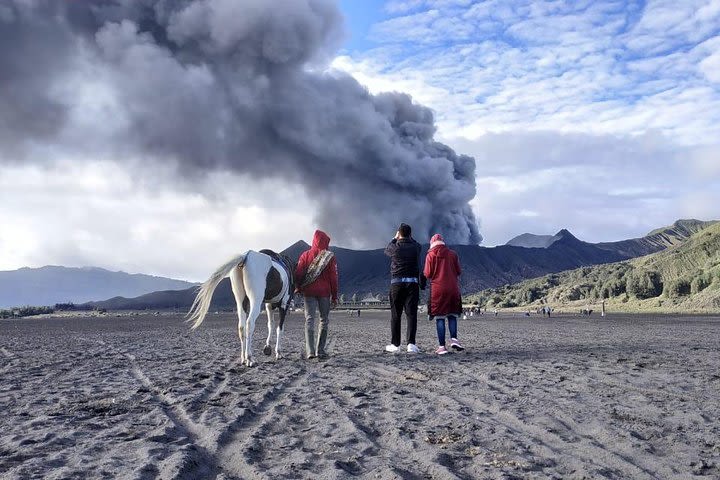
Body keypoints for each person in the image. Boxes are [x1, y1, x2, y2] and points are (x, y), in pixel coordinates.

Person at [295, 230, 338, 359]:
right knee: (324, 320)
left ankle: (310, 351)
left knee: (309, 319)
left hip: (309, 292)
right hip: (325, 292)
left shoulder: (305, 255)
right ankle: (320, 350)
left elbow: (298, 273)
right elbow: (333, 278)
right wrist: (335, 296)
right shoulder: (330, 257)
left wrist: (298, 287)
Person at [384, 223, 423, 353]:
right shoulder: (416, 247)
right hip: (412, 284)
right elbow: (418, 244)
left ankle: (395, 345)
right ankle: (411, 344)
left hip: (397, 284)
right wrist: (409, 237)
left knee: (396, 315)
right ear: (411, 235)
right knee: (411, 315)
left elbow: (387, 249)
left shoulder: (395, 248)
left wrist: (395, 238)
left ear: (399, 233)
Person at [423, 234, 465, 355]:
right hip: (453, 288)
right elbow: (458, 271)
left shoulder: (430, 255)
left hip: (438, 290)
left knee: (440, 318)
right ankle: (454, 340)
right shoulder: (453, 254)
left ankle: (442, 347)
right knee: (452, 315)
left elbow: (427, 273)